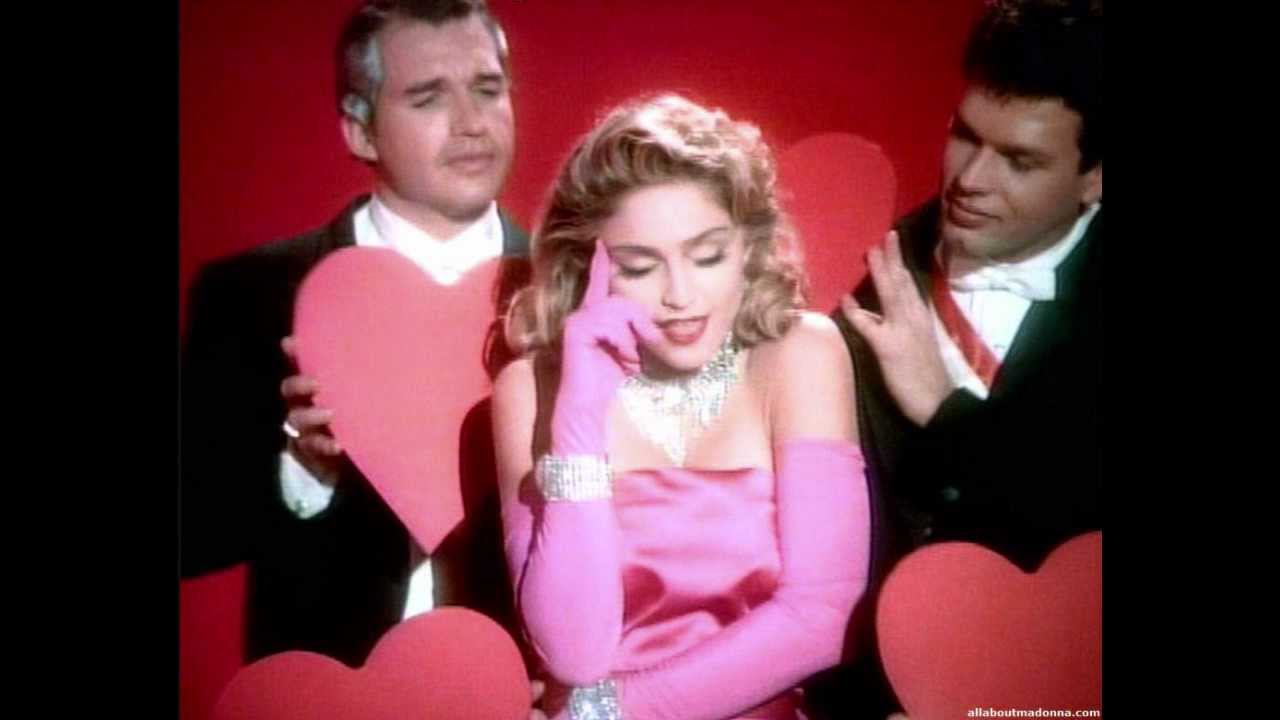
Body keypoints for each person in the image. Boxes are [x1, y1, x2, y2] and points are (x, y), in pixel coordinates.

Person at [491, 93, 871, 720]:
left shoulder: (802, 353)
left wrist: (608, 713)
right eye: (641, 267)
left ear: (748, 248)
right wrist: (579, 420)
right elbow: (574, 658)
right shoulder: (531, 390)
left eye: (708, 255)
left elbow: (821, 617)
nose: (681, 295)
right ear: (591, 266)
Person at [180, 0, 527, 667]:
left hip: (520, 691)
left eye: (488, 89)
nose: (471, 122)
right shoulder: (252, 293)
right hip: (321, 692)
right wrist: (301, 471)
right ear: (360, 131)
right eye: (428, 98)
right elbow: (193, 535)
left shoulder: (566, 294)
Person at [812, 1, 1103, 715]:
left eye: (1020, 161)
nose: (971, 178)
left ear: (1095, 177)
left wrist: (945, 414)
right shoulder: (865, 276)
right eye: (965, 136)